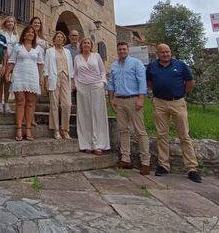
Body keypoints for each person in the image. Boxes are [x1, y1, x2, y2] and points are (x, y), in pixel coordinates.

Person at [146, 43, 202, 183]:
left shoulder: (181, 65)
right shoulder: (152, 66)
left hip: (177, 102)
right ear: (157, 54)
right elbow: (150, 82)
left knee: (184, 135)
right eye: (163, 52)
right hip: (159, 102)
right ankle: (163, 165)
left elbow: (190, 82)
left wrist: (180, 93)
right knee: (161, 135)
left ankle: (191, 168)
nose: (166, 54)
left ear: (170, 52)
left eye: (168, 52)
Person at [108, 42, 150, 175]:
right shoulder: (114, 65)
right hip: (119, 100)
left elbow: (142, 81)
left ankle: (145, 162)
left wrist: (141, 98)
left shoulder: (136, 63)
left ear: (128, 50)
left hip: (133, 99)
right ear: (117, 51)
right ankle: (125, 159)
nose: (122, 51)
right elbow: (111, 83)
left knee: (140, 131)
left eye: (124, 49)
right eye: (119, 49)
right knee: (123, 130)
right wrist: (111, 99)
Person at [4, 26, 44, 141]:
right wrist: (7, 73)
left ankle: (28, 129)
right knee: (20, 102)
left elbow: (40, 64)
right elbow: (11, 62)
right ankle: (19, 128)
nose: (30, 33)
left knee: (31, 103)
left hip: (32, 77)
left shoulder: (38, 49)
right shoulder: (17, 47)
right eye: (28, 32)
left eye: (32, 32)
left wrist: (41, 78)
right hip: (19, 76)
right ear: (24, 34)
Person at [73, 38, 110, 155]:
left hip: (96, 86)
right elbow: (75, 74)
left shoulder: (96, 56)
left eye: (88, 43)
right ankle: (86, 144)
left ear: (91, 45)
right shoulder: (77, 58)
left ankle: (98, 144)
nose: (86, 45)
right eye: (84, 43)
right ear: (81, 45)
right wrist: (77, 85)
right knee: (85, 115)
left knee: (97, 114)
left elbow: (103, 71)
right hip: (82, 87)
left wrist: (102, 83)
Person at [44, 31, 74, 140]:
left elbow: (70, 67)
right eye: (58, 37)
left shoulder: (67, 52)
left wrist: (72, 80)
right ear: (54, 39)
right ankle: (56, 129)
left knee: (67, 104)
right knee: (54, 104)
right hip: (54, 78)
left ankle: (65, 129)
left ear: (64, 39)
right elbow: (46, 67)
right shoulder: (49, 51)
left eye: (62, 37)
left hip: (65, 78)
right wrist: (46, 80)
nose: (60, 39)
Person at [0, 16, 18, 114]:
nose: (10, 23)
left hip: (11, 61)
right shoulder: (2, 33)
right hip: (2, 60)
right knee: (0, 82)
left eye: (12, 22)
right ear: (5, 23)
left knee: (7, 82)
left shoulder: (16, 35)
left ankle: (6, 103)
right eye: (9, 21)